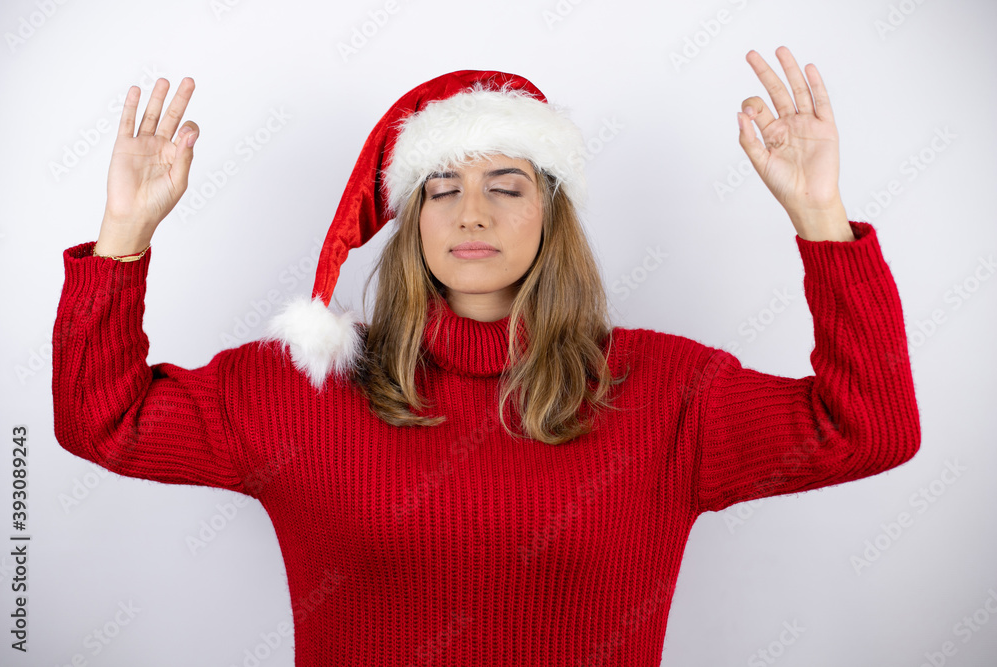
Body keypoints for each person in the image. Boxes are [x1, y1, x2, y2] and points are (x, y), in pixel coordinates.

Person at [52, 47, 920, 666]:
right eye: (443, 189)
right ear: (411, 220)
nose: (473, 212)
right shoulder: (302, 385)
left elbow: (868, 429)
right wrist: (126, 229)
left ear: (550, 214)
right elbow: (103, 419)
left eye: (507, 186)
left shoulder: (666, 391)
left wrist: (821, 217)